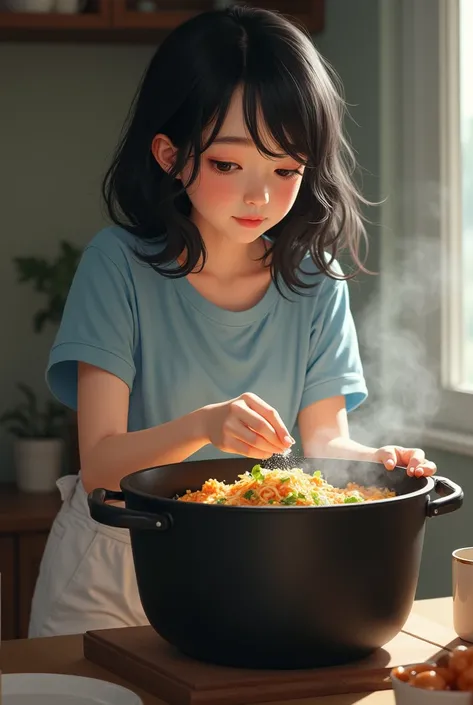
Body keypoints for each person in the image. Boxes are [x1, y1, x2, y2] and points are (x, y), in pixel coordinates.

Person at [28, 4, 437, 639]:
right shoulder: (117, 267)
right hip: (113, 565)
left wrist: (376, 462)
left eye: (286, 170)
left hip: (252, 572)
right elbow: (103, 464)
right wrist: (207, 424)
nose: (260, 196)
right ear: (169, 154)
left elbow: (325, 445)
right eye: (228, 164)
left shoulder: (313, 281)